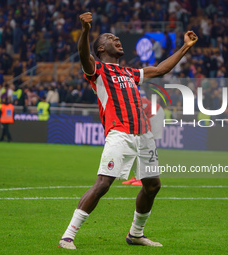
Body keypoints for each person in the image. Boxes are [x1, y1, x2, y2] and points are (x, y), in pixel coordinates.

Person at [58, 12, 197, 250]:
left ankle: (136, 234)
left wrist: (185, 47)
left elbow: (161, 69)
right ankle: (68, 236)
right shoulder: (98, 70)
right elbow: (84, 56)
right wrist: (85, 31)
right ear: (101, 48)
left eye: (117, 38)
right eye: (112, 38)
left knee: (152, 185)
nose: (117, 39)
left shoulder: (129, 73)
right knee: (103, 184)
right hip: (119, 133)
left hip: (144, 136)